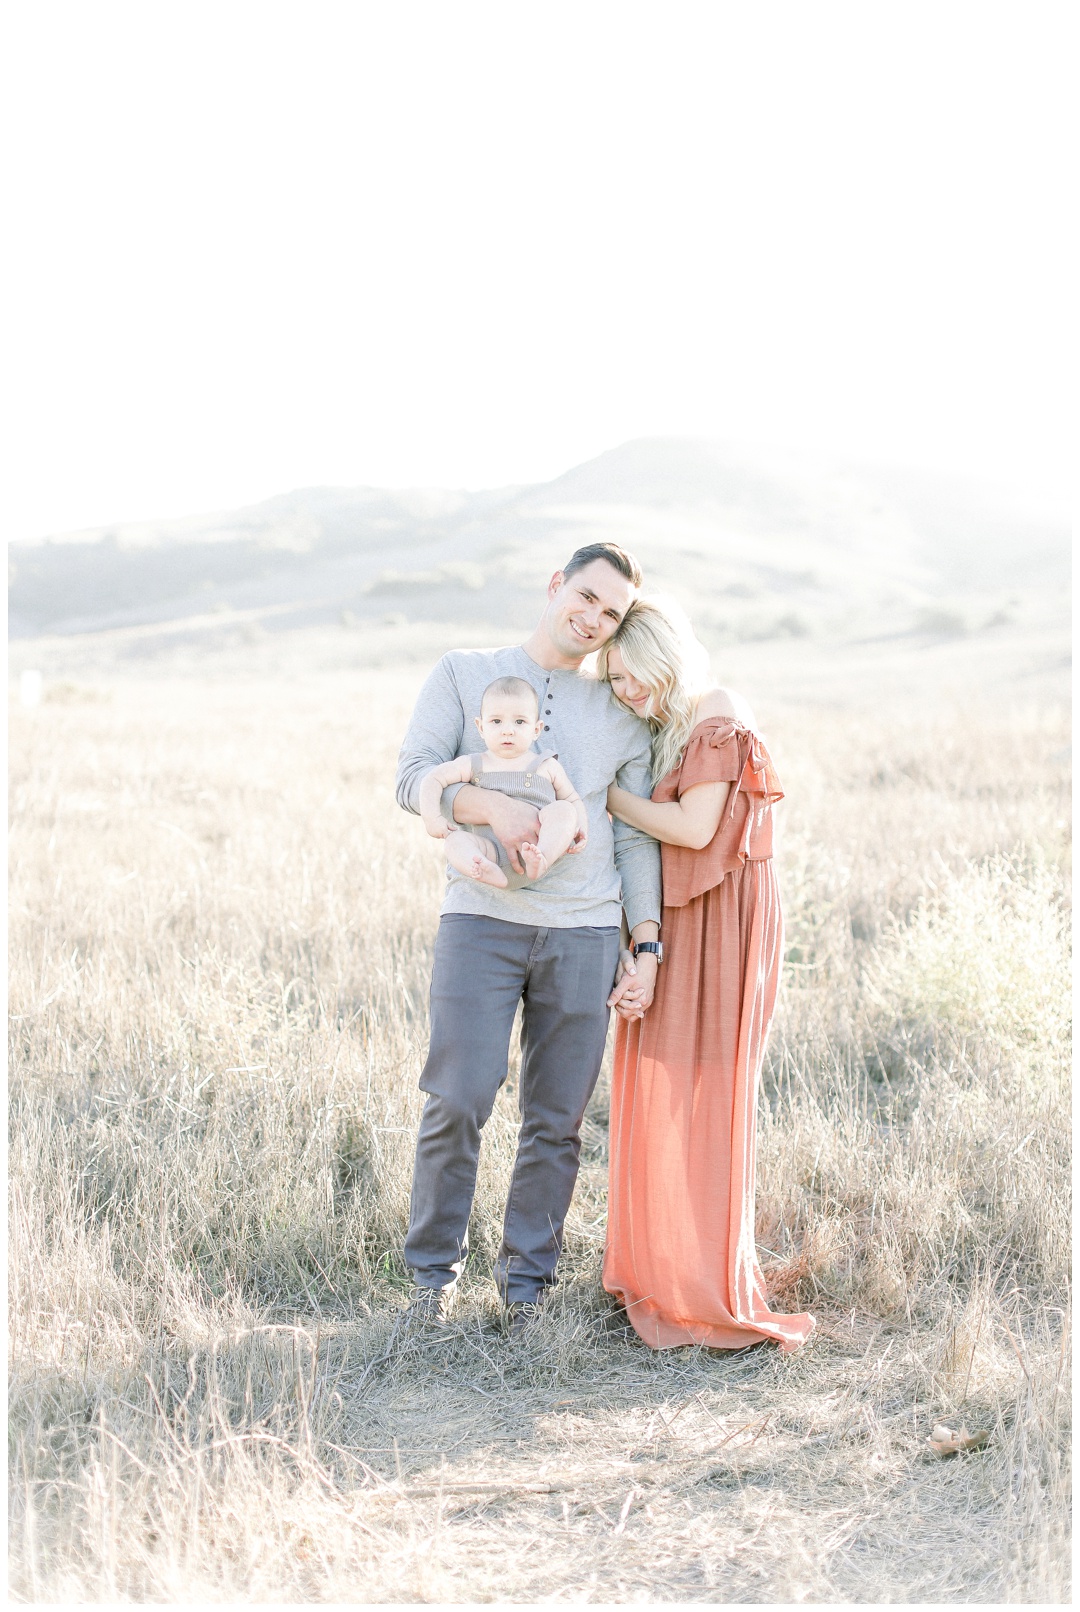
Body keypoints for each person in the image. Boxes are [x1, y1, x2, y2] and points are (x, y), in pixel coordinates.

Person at [394, 543, 662, 1337]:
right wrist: (488, 808)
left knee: (558, 1120)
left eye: (610, 613)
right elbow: (412, 777)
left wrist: (644, 946)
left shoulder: (621, 712)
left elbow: (632, 839)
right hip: (481, 922)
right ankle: (429, 1284)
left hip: (583, 933)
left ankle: (526, 1292)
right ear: (556, 586)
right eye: (584, 597)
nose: (591, 618)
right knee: (458, 1096)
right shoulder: (462, 672)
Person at [597, 598, 815, 1352]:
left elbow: (694, 829)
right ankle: (664, 1267)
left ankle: (711, 1280)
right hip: (678, 920)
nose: (625, 691)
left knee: (712, 1091)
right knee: (660, 1081)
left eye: (632, 674)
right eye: (613, 680)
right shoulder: (659, 733)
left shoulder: (716, 710)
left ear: (664, 657)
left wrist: (607, 796)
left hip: (726, 918)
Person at [418, 676, 587, 886]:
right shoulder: (474, 764)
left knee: (564, 809)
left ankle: (542, 858)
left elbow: (573, 799)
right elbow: (433, 778)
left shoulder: (545, 765)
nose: (508, 730)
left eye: (519, 721)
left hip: (539, 844)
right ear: (481, 727)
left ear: (536, 729)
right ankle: (481, 867)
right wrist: (432, 819)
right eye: (496, 721)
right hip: (490, 852)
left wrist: (581, 826)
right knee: (455, 841)